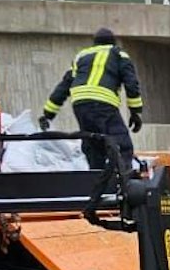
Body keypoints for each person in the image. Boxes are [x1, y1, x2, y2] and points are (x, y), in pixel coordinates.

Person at [40, 28, 143, 171]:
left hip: (80, 104)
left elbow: (64, 85)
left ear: (94, 43)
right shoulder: (118, 54)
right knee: (121, 144)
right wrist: (135, 113)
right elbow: (131, 84)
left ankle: (96, 180)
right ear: (113, 42)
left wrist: (48, 114)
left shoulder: (81, 56)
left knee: (93, 144)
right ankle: (123, 182)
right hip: (103, 103)